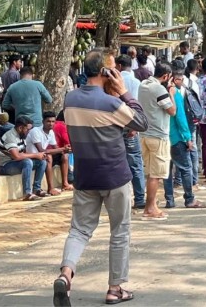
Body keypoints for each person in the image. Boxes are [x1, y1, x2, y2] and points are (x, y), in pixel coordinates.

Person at [52, 49, 148, 306]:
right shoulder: (112, 103)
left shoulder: (70, 99)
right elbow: (140, 122)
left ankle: (66, 274)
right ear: (107, 72)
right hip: (115, 176)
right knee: (120, 231)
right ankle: (115, 289)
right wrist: (124, 92)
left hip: (85, 176)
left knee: (79, 230)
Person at [138, 62, 176, 219]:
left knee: (150, 172)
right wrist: (171, 93)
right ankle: (150, 208)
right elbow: (172, 110)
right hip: (158, 135)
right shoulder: (159, 89)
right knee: (156, 174)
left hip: (145, 134)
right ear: (166, 76)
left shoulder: (143, 85)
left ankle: (151, 205)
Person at [164, 61, 205, 208]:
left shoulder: (160, 94)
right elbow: (180, 118)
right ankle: (189, 198)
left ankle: (169, 199)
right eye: (181, 79)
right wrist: (188, 138)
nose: (183, 82)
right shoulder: (176, 96)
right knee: (185, 168)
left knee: (166, 171)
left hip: (164, 137)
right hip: (177, 137)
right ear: (174, 79)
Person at [116, 54, 145, 209]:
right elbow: (138, 106)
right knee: (135, 163)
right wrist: (135, 127)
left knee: (117, 163)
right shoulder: (136, 83)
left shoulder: (113, 81)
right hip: (131, 126)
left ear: (119, 66)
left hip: (115, 127)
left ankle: (121, 200)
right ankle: (139, 198)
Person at [0, 115, 48, 201]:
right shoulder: (10, 136)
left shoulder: (21, 136)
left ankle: (37, 189)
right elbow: (17, 156)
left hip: (15, 163)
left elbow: (23, 153)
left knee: (42, 162)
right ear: (20, 128)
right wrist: (36, 155)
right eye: (27, 129)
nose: (29, 132)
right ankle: (27, 193)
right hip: (4, 165)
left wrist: (39, 156)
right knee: (27, 162)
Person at [25, 111, 69, 197]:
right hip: (32, 157)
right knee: (48, 157)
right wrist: (62, 149)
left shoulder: (51, 132)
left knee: (65, 155)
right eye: (48, 121)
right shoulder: (35, 131)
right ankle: (50, 188)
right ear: (43, 122)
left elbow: (56, 148)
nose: (51, 124)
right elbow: (42, 150)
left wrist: (66, 150)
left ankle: (65, 183)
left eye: (53, 121)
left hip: (41, 157)